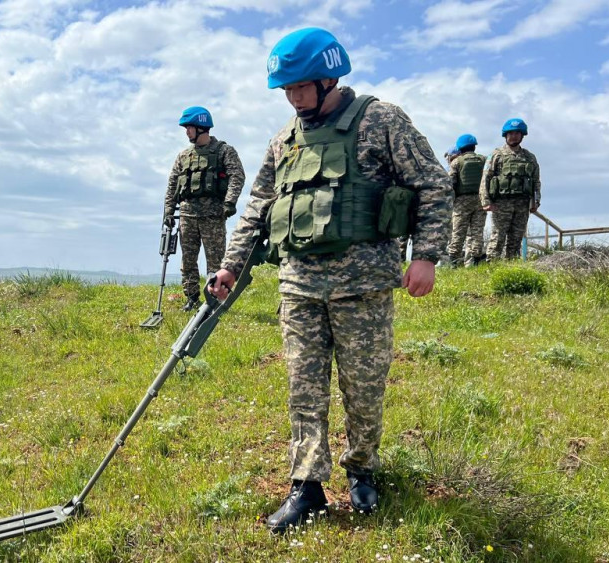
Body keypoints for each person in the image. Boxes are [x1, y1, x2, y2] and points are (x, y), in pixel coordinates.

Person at [209, 28, 451, 533]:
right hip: (299, 286)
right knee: (304, 389)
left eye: (300, 88)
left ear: (328, 77)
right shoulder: (284, 141)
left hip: (363, 287)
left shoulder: (381, 120)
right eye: (286, 91)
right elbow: (257, 208)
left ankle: (361, 469)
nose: (293, 99)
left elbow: (431, 182)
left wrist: (426, 255)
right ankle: (307, 486)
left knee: (363, 389)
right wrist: (231, 264)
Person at [163, 106, 246, 311]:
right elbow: (173, 184)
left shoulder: (224, 151)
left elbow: (238, 176)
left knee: (216, 262)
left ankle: (215, 301)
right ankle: (191, 298)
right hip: (187, 216)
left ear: (202, 127)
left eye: (189, 127)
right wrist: (168, 211)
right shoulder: (183, 156)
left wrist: (229, 202)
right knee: (188, 261)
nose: (187, 132)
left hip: (213, 216)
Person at [480, 118, 541, 260]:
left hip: (522, 204)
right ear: (505, 135)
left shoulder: (529, 157)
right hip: (501, 203)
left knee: (516, 238)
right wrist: (486, 201)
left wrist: (536, 202)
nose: (514, 136)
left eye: (517, 133)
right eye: (511, 133)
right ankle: (492, 266)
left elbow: (536, 181)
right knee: (498, 237)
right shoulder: (496, 155)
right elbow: (486, 178)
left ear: (522, 135)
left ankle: (511, 265)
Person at [447, 134, 488, 266]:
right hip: (480, 200)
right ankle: (474, 261)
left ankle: (454, 262)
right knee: (476, 232)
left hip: (461, 202)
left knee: (458, 232)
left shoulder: (456, 162)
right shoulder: (484, 160)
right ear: (474, 146)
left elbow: (451, 184)